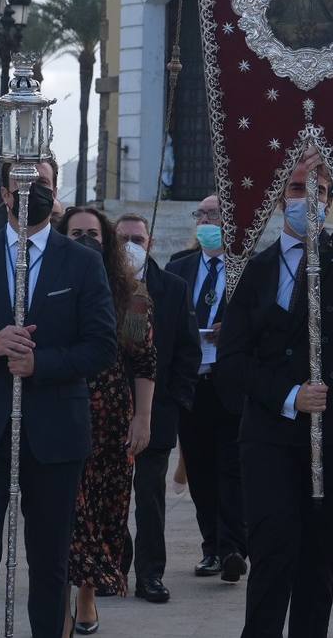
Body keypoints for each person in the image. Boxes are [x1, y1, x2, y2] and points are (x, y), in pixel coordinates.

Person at [216, 147, 333, 638]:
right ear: (280, 200)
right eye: (298, 189)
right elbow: (232, 362)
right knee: (275, 551)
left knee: (318, 560)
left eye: (318, 191)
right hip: (270, 436)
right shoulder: (249, 272)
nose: (308, 199)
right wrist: (288, 394)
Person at [0, 163, 117, 638]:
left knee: (51, 558)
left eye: (44, 187)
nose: (32, 194)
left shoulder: (81, 262)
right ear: (6, 196)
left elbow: (102, 346)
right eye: (23, 186)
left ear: (55, 196)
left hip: (54, 432)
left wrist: (42, 363)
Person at [59, 207, 156, 635]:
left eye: (92, 233)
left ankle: (88, 592)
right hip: (59, 411)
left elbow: (144, 361)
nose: (84, 239)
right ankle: (59, 595)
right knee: (63, 511)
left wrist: (143, 419)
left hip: (113, 418)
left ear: (108, 240)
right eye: (75, 232)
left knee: (105, 512)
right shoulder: (48, 283)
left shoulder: (129, 292)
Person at [114, 212, 201, 603]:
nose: (131, 244)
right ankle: (116, 565)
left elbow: (187, 349)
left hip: (158, 410)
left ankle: (150, 574)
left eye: (137, 237)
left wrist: (177, 400)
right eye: (123, 238)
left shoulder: (173, 287)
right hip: (109, 409)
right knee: (111, 496)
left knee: (149, 496)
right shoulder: (102, 286)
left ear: (150, 243)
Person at [165, 194, 249, 583]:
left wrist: (230, 329)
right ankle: (212, 547)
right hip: (190, 383)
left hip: (229, 383)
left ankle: (233, 547)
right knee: (199, 470)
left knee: (231, 469)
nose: (207, 219)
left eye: (215, 213)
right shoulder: (178, 267)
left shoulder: (248, 268)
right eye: (202, 213)